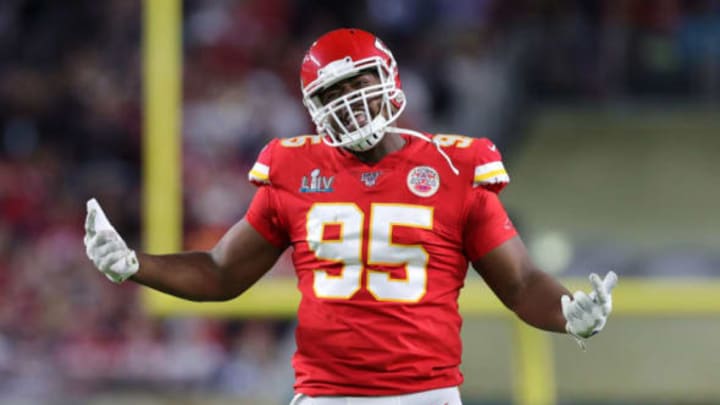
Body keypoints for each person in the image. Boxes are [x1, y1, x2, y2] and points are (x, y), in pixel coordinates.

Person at [84, 28, 617, 405]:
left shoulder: (455, 165)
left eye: (357, 84)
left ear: (387, 79)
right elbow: (223, 273)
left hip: (424, 395)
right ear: (312, 105)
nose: (348, 101)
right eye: (331, 93)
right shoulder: (291, 168)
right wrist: (135, 265)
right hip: (326, 394)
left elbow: (520, 283)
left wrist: (568, 311)